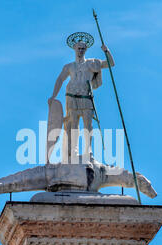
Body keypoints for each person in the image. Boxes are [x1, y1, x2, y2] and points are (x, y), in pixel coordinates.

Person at [48, 32, 115, 163]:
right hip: (72, 97)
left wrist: (107, 51)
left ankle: (88, 150)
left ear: (86, 50)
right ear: (74, 49)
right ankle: (73, 150)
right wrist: (53, 96)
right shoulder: (69, 66)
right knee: (73, 125)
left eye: (83, 48)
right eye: (79, 48)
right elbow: (60, 79)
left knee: (88, 124)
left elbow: (110, 64)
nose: (81, 50)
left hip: (86, 96)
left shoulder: (92, 63)